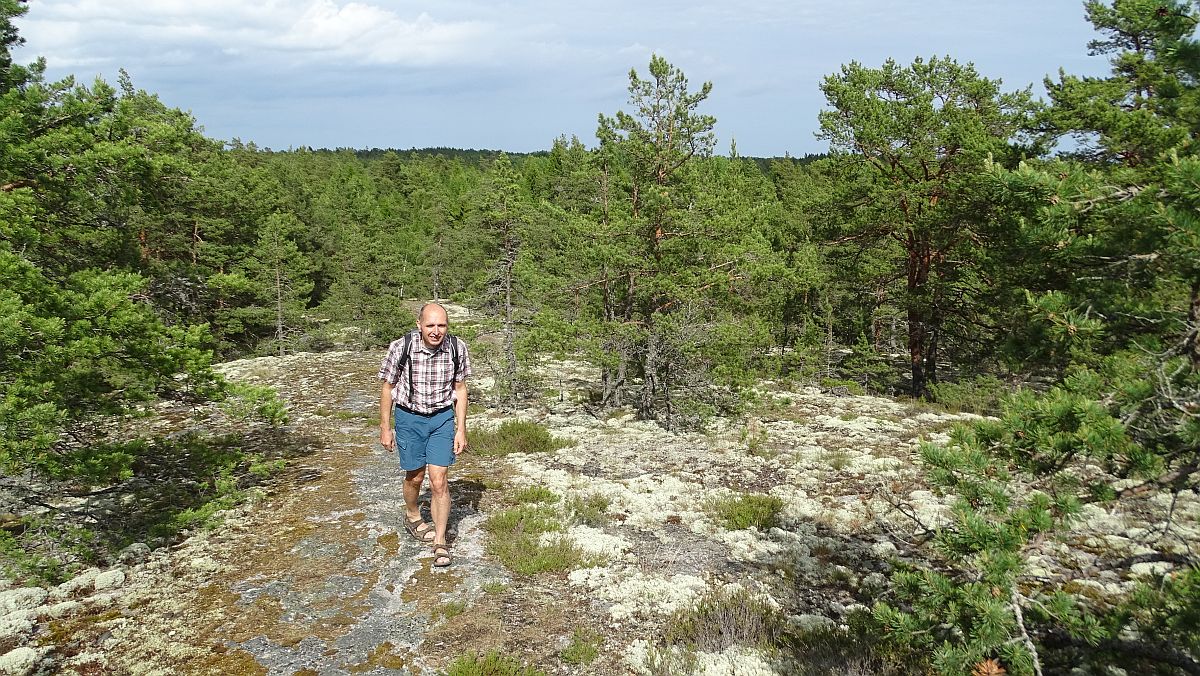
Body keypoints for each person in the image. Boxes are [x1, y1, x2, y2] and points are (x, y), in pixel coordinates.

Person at [378, 302, 471, 567]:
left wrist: (460, 428)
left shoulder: (456, 347)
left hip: (442, 418)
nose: (436, 331)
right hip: (409, 418)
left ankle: (440, 542)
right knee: (415, 476)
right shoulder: (401, 347)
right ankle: (413, 515)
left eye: (441, 325)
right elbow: (388, 387)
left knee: (439, 479)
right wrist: (386, 427)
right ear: (419, 325)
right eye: (430, 325)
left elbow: (461, 389)